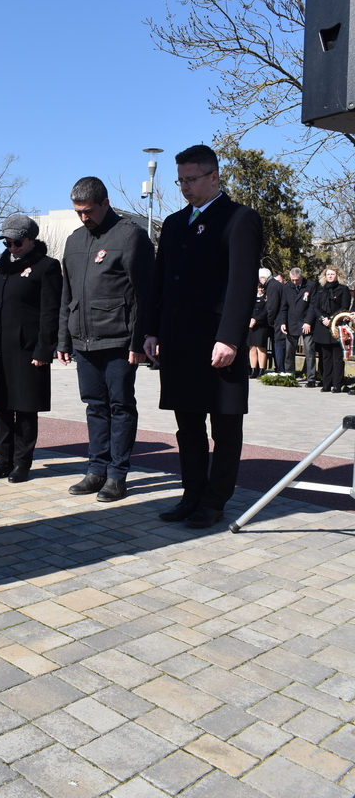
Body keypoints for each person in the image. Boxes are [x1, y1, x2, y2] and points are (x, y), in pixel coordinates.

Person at [144, 144, 262, 529]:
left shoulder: (239, 218)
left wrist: (230, 338)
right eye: (180, 180)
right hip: (180, 341)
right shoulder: (174, 223)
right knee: (188, 426)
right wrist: (151, 330)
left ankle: (215, 501)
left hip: (217, 342)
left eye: (191, 180)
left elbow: (242, 283)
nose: (184, 187)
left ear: (214, 176)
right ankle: (191, 494)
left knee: (224, 427)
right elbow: (161, 281)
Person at [57, 177, 155, 502]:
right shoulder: (73, 240)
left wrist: (138, 342)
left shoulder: (130, 236)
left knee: (120, 406)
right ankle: (96, 470)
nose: (83, 217)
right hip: (84, 341)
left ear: (105, 202)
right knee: (94, 406)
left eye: (88, 211)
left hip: (119, 341)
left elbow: (145, 294)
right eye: (78, 212)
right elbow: (67, 294)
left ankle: (116, 475)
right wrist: (63, 340)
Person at [0, 215, 62, 483]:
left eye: (17, 243)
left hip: (26, 349)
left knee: (25, 408)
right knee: (0, 407)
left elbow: (50, 312)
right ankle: (2, 460)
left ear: (31, 240)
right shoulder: (1, 267)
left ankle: (22, 463)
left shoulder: (46, 267)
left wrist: (44, 350)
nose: (12, 248)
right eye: (7, 243)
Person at [313, 266, 352, 393]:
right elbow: (315, 307)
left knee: (337, 358)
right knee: (325, 357)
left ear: (337, 275)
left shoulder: (343, 289)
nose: (330, 276)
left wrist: (331, 318)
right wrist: (323, 319)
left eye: (332, 274)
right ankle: (326, 383)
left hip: (337, 326)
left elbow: (344, 306)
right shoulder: (321, 290)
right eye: (328, 274)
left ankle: (337, 384)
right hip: (323, 326)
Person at [278, 267, 318, 387]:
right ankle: (290, 375)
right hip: (291, 323)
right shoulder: (287, 288)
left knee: (309, 351)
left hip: (306, 322)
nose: (294, 282)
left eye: (297, 280)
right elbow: (284, 307)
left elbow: (313, 305)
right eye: (292, 280)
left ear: (301, 277)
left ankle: (311, 378)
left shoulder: (311, 286)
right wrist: (283, 323)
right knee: (289, 352)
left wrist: (308, 322)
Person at [260, 267, 285, 372]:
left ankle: (280, 369)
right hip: (279, 318)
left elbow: (272, 306)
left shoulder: (272, 286)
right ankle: (279, 368)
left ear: (263, 278)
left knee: (278, 345)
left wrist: (270, 320)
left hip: (278, 319)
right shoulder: (274, 285)